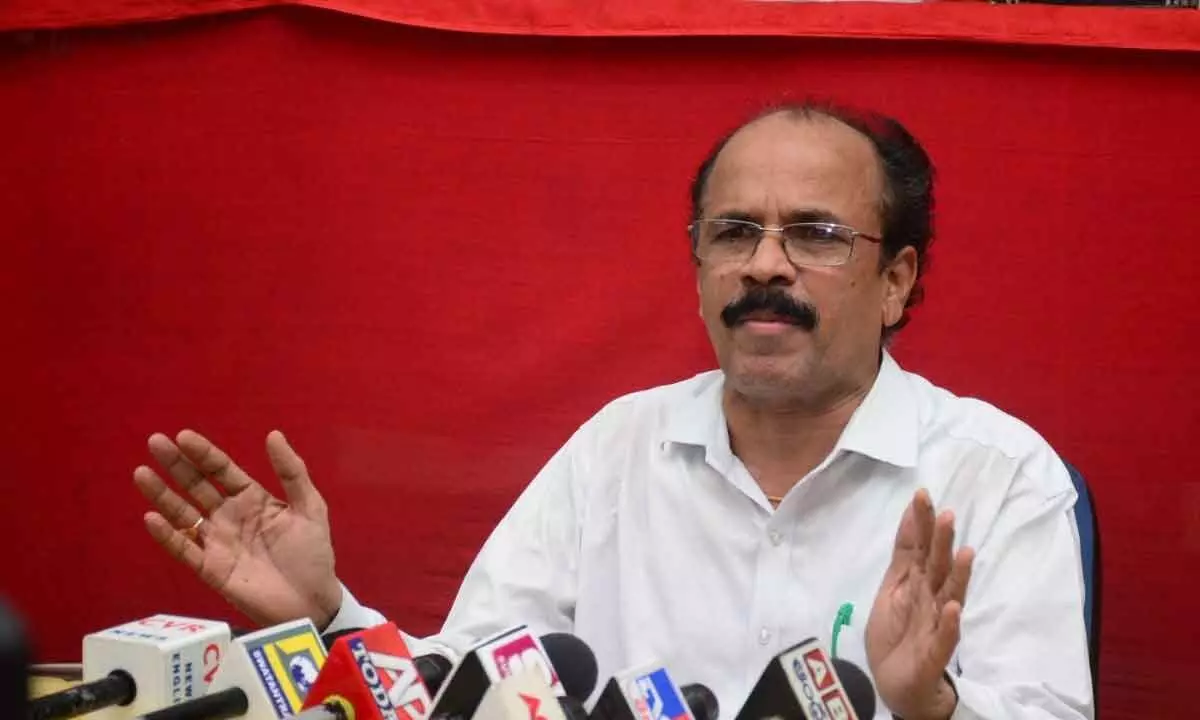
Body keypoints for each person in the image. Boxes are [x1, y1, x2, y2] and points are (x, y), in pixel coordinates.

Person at [132, 102, 1094, 719]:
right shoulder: (617, 448)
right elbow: (478, 682)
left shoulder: (997, 476)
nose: (764, 265)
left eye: (815, 235)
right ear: (700, 268)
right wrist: (328, 616)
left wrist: (931, 709)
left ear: (895, 280)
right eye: (733, 234)